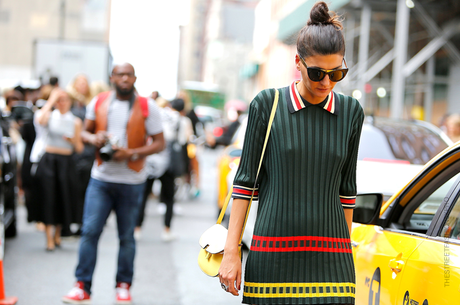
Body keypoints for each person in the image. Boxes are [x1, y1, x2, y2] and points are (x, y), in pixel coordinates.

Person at [218, 3, 364, 305]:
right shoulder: (267, 105)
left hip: (333, 261)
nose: (327, 82)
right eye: (317, 72)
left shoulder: (351, 111)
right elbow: (245, 185)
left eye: (337, 72)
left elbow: (347, 191)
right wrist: (232, 251)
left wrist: (345, 249)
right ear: (298, 62)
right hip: (272, 254)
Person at [62, 63, 165, 304]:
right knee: (89, 232)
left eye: (129, 75)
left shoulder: (147, 106)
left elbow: (160, 143)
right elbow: (84, 133)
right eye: (120, 74)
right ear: (112, 78)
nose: (125, 79)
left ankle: (123, 286)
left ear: (135, 78)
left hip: (132, 181)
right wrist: (94, 138)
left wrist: (132, 153)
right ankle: (82, 286)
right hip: (101, 179)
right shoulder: (98, 102)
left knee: (127, 237)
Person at [35, 88, 84, 251]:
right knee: (49, 198)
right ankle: (49, 237)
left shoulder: (75, 121)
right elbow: (39, 120)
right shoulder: (49, 115)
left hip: (66, 161)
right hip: (49, 160)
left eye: (64, 100)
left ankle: (58, 234)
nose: (61, 103)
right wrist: (51, 100)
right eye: (59, 100)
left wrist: (72, 140)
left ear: (70, 102)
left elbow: (79, 148)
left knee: (64, 197)